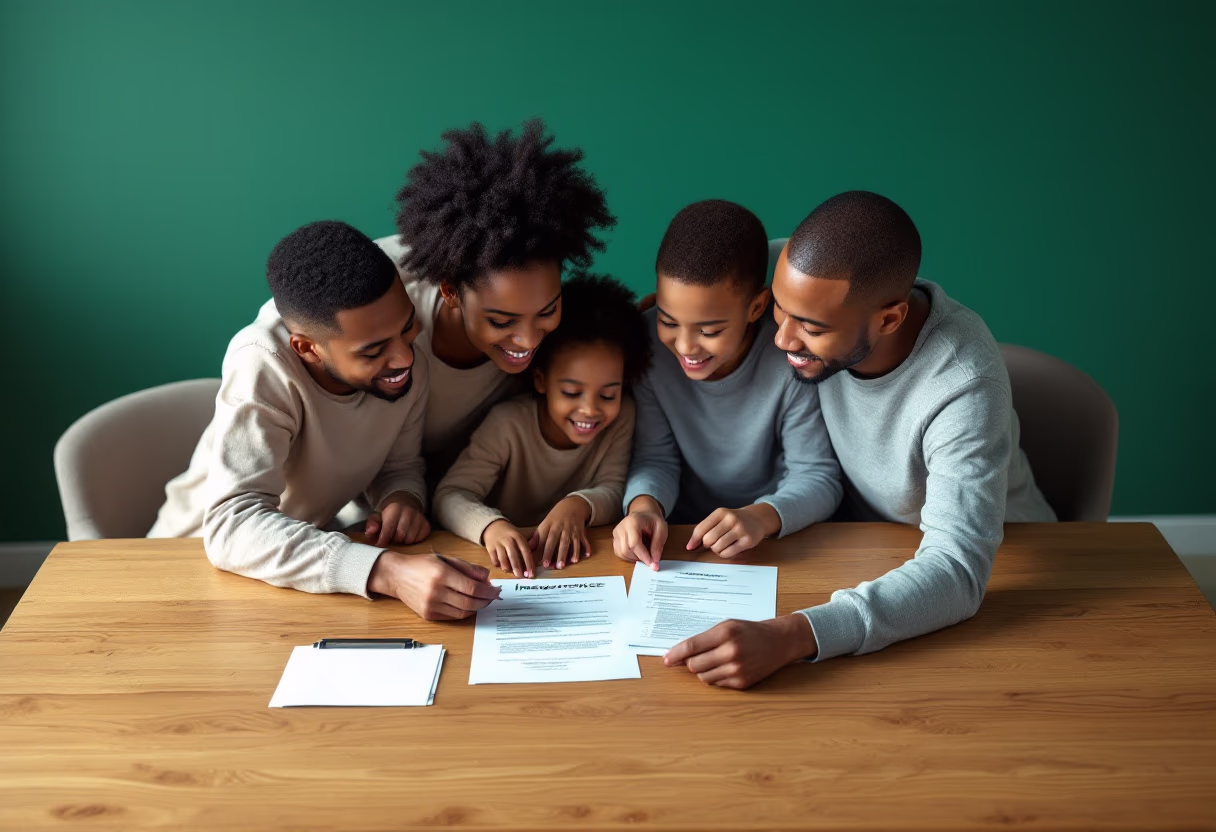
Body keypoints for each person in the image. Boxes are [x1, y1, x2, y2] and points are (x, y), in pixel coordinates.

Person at [665, 191, 1056, 688]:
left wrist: (792, 636)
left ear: (888, 319)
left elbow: (957, 571)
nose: (782, 338)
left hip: (999, 560)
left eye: (809, 327)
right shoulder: (803, 278)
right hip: (862, 545)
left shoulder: (964, 385)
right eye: (779, 311)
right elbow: (694, 288)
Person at [149, 221, 500, 621]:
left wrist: (401, 498)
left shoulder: (400, 349)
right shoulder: (263, 363)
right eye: (373, 352)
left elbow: (399, 464)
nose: (405, 358)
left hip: (298, 572)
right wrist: (388, 571)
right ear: (307, 349)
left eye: (407, 328)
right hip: (186, 570)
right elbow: (231, 527)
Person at [376, 119, 616, 485]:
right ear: (451, 291)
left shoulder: (558, 351)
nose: (529, 340)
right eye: (502, 321)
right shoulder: (388, 303)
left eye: (547, 311)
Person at [613, 200, 842, 567]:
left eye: (710, 330)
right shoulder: (647, 347)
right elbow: (656, 457)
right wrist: (643, 508)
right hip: (679, 540)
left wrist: (761, 516)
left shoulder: (790, 357)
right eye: (669, 321)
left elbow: (818, 476)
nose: (685, 347)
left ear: (756, 307)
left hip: (769, 541)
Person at [434, 274, 651, 578]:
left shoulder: (622, 416)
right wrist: (490, 527)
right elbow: (451, 494)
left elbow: (615, 489)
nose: (590, 409)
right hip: (504, 569)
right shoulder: (507, 424)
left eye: (607, 394)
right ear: (540, 380)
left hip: (581, 567)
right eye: (571, 393)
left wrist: (578, 505)